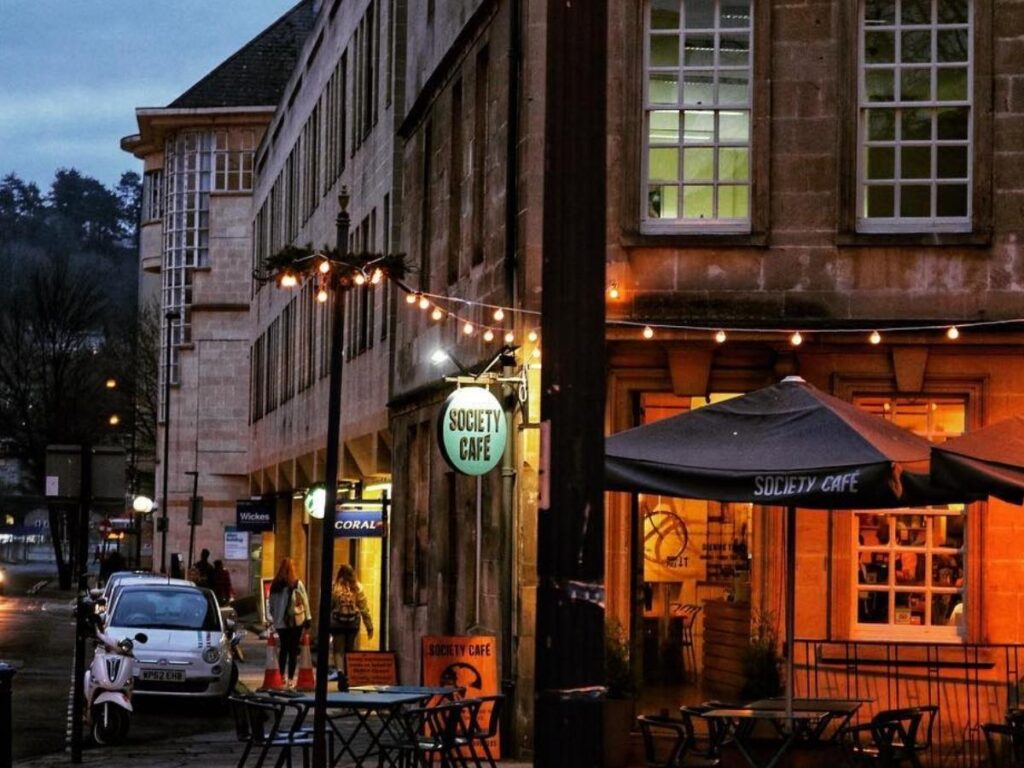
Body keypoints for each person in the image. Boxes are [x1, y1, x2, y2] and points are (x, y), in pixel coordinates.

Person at [268, 557, 311, 688]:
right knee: (293, 651)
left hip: (280, 623)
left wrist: (275, 617)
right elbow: (304, 601)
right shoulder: (297, 584)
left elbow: (271, 605)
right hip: (295, 622)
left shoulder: (275, 585)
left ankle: (281, 676)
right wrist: (308, 618)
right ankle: (291, 679)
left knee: (284, 650)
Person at [329, 564, 373, 676]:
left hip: (338, 623)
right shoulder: (358, 587)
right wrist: (369, 626)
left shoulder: (335, 587)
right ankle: (349, 674)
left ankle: (340, 671)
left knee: (338, 650)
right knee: (350, 649)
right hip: (353, 623)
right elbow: (363, 608)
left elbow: (329, 606)